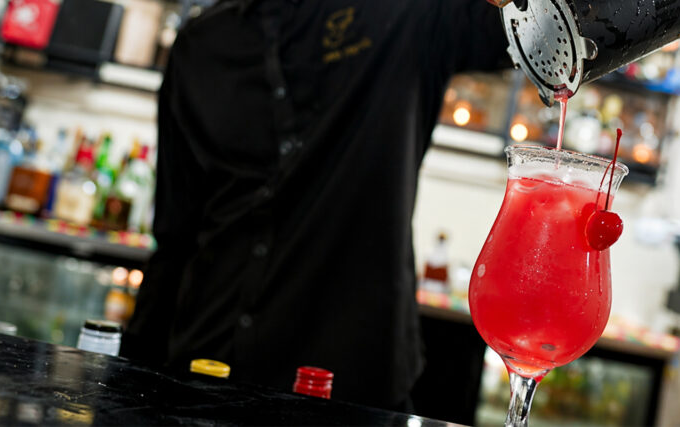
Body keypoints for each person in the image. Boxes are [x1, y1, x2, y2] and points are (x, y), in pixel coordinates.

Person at [120, 0, 509, 411]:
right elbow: (174, 239)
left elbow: (543, 30)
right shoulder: (201, 45)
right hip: (202, 375)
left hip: (352, 388)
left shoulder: (406, 14)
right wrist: (129, 385)